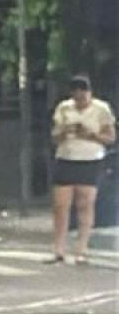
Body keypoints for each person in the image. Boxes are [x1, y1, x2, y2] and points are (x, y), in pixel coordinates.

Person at [49, 75, 116, 264]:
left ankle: (82, 247)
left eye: (83, 97)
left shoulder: (101, 109)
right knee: (61, 205)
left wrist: (91, 134)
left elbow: (110, 137)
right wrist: (64, 131)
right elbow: (54, 136)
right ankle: (59, 248)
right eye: (77, 97)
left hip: (90, 159)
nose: (80, 101)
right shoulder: (64, 108)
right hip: (66, 157)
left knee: (85, 203)